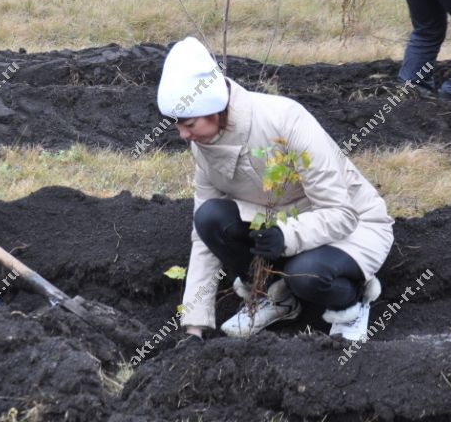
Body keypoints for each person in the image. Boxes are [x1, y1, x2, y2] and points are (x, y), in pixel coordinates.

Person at [159, 37, 394, 342]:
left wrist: (285, 236)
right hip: (281, 225)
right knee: (210, 218)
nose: (182, 134)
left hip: (352, 225)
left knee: (304, 273)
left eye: (188, 124)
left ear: (215, 109)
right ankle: (276, 298)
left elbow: (341, 213)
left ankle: (352, 301)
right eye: (176, 125)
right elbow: (202, 237)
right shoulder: (203, 146)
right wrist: (195, 325)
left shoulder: (285, 119)